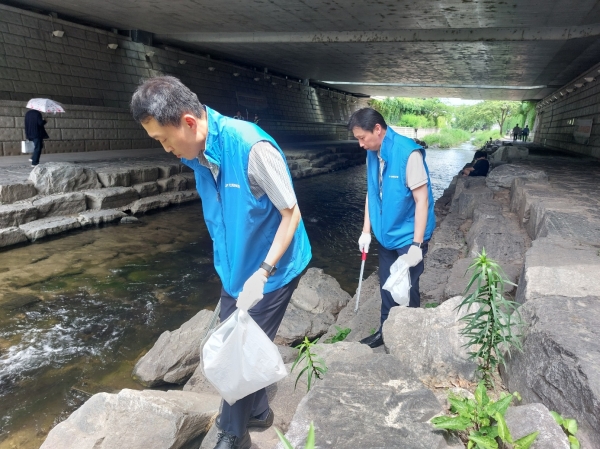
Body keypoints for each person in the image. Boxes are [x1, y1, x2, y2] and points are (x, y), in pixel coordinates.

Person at [131, 76, 311, 449]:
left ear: (189, 122)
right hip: (235, 271)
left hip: (271, 270)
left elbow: (291, 215)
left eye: (163, 139)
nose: (165, 148)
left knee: (237, 352)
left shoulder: (250, 146)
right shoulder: (198, 155)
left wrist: (263, 273)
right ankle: (258, 411)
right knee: (236, 338)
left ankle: (233, 434)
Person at [349, 108, 435, 349]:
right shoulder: (373, 153)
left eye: (362, 138)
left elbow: (422, 201)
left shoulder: (408, 154)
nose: (360, 144)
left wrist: (417, 245)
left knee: (408, 285)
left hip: (408, 235)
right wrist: (366, 231)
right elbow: (372, 193)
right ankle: (385, 331)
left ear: (377, 129)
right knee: (387, 283)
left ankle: (412, 335)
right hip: (386, 234)